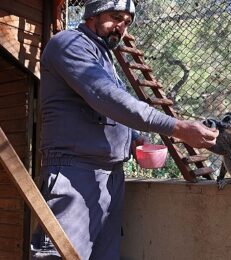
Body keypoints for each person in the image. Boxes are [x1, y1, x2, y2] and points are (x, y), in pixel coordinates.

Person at [30, 0, 218, 259]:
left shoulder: (103, 54)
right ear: (92, 15)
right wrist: (177, 127)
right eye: (115, 17)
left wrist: (133, 137)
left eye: (127, 22)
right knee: (62, 253)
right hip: (75, 171)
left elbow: (108, 107)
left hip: (110, 177)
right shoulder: (68, 44)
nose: (121, 27)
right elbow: (106, 97)